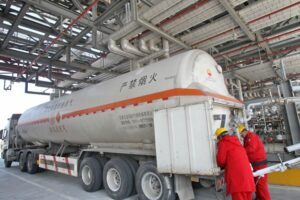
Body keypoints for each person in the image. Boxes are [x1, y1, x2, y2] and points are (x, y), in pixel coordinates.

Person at [215, 127, 255, 200]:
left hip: (236, 178)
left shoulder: (223, 143)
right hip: (247, 177)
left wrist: (220, 166)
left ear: (220, 137)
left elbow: (221, 160)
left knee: (238, 197)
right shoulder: (237, 141)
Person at [238, 125, 271, 200]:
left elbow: (251, 149)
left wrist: (240, 151)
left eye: (241, 134)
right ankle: (259, 197)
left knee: (261, 184)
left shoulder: (251, 137)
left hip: (260, 164)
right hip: (255, 165)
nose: (241, 136)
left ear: (244, 131)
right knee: (256, 183)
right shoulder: (247, 138)